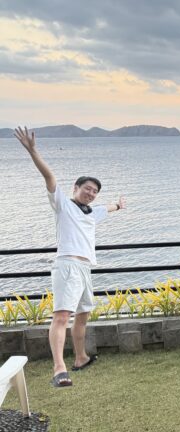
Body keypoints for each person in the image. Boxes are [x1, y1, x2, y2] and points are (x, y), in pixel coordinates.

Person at [14, 126, 127, 388]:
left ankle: (80, 357)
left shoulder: (92, 212)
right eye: (87, 188)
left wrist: (119, 205)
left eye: (94, 191)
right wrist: (33, 151)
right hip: (67, 266)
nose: (91, 193)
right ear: (76, 188)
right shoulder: (63, 204)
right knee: (62, 317)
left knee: (83, 315)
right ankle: (59, 369)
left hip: (85, 268)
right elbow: (49, 176)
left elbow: (107, 208)